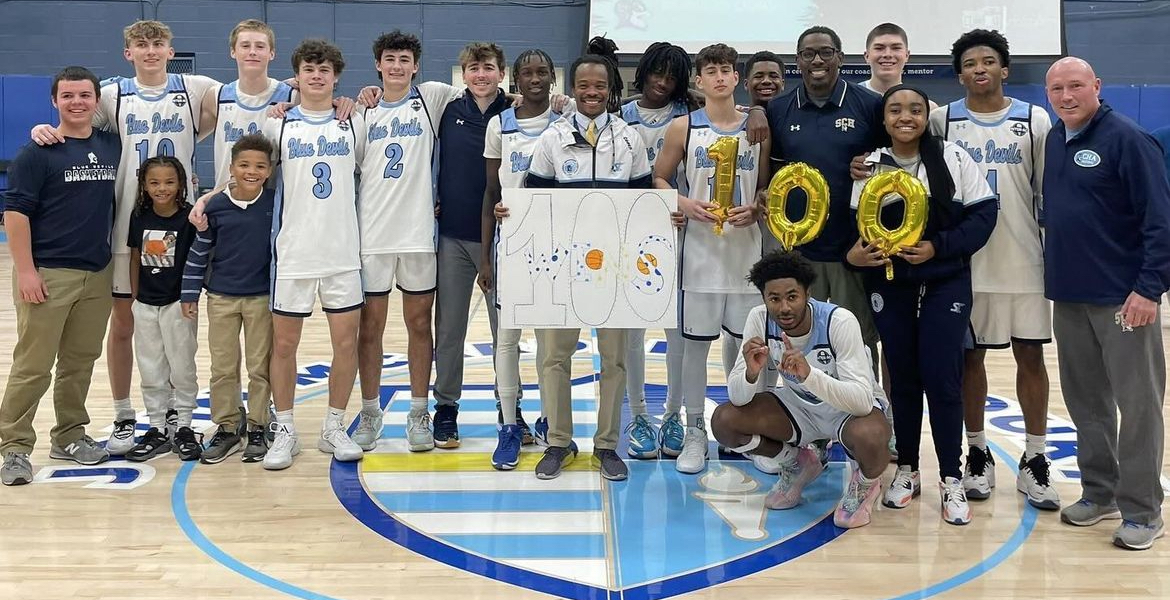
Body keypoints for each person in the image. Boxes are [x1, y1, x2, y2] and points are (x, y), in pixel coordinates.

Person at [30, 21, 219, 456]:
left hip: (177, 225)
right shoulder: (112, 95)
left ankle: (177, 415)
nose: (150, 51)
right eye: (141, 45)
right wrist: (41, 129)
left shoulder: (196, 88)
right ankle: (123, 415)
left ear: (171, 51)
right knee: (126, 324)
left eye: (158, 44)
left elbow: (253, 93)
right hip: (124, 229)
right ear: (127, 53)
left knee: (176, 324)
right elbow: (72, 122)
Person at [847, 84, 996, 526]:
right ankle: (907, 469)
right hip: (889, 285)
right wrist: (853, 257)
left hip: (945, 281)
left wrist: (938, 247)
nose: (905, 116)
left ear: (927, 114)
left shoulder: (954, 158)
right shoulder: (869, 164)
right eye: (895, 110)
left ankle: (951, 476)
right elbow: (854, 228)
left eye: (914, 109)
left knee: (943, 378)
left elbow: (984, 216)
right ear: (885, 117)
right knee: (904, 378)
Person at [1044, 57, 1170, 551]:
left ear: (1097, 85)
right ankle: (1100, 493)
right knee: (1086, 403)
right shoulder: (1056, 139)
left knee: (1137, 406)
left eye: (1076, 86)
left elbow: (1161, 222)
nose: (1066, 95)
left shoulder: (1129, 138)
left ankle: (1142, 509)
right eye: (1057, 88)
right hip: (1070, 295)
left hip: (1123, 299)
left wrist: (1149, 290)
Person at [931, 29, 1059, 510]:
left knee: (1032, 357)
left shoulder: (1035, 118)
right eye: (969, 63)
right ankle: (978, 452)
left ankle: (1035, 459)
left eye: (988, 61)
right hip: (967, 264)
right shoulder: (943, 120)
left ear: (1004, 70)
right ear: (959, 73)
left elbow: (1049, 189)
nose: (979, 69)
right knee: (970, 360)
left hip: (1023, 258)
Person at [521, 53, 652, 481]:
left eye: (600, 86)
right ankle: (559, 442)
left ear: (611, 89)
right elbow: (534, 201)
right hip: (561, 269)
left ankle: (607, 445)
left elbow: (643, 205)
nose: (592, 92)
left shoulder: (630, 139)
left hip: (613, 270)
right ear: (573, 88)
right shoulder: (552, 139)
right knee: (553, 359)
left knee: (614, 360)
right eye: (584, 86)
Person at [654, 43, 770, 474]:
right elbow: (659, 177)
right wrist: (683, 203)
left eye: (726, 70)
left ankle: (752, 431)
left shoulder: (757, 126)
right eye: (711, 71)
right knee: (694, 350)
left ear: (736, 78)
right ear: (698, 81)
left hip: (746, 257)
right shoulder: (684, 127)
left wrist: (757, 208)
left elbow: (765, 187)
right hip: (699, 255)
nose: (719, 77)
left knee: (751, 348)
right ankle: (695, 432)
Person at [0, 67, 120, 486]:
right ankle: (13, 447)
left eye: (85, 95)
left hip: (97, 272)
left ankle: (69, 435)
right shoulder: (37, 152)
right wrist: (27, 272)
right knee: (33, 366)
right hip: (48, 274)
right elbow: (14, 214)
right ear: (54, 101)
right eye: (67, 96)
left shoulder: (111, 145)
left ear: (96, 101)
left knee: (79, 363)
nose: (77, 102)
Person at [711, 250, 890, 528]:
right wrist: (750, 373)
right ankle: (798, 462)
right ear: (764, 298)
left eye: (792, 297)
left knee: (874, 435)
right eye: (774, 298)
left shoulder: (839, 321)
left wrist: (809, 375)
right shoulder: (759, 319)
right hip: (801, 410)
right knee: (725, 421)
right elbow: (738, 397)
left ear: (808, 293)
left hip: (847, 411)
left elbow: (861, 402)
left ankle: (865, 485)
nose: (784, 307)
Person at [749, 26, 884, 376]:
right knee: (801, 344)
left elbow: (893, 164)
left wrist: (872, 167)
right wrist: (763, 191)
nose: (817, 60)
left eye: (826, 52)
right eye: (808, 54)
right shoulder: (779, 109)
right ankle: (811, 426)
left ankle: (869, 421)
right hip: (798, 254)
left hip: (850, 251)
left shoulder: (868, 105)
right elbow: (770, 174)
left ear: (840, 57)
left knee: (857, 344)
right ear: (798, 61)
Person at [352, 31, 462, 454]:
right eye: (389, 59)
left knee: (420, 325)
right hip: (372, 236)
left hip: (418, 235)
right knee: (370, 330)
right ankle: (369, 412)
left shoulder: (431, 98)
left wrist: (557, 102)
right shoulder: (363, 111)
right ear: (378, 64)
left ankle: (419, 412)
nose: (397, 66)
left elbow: (482, 87)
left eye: (404, 59)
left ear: (416, 66)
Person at [260, 39, 368, 470]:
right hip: (294, 252)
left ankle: (334, 426)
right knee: (284, 344)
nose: (317, 76)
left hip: (343, 251)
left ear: (336, 76)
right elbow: (254, 177)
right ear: (297, 76)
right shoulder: (277, 125)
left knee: (346, 343)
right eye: (309, 69)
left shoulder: (353, 121)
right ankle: (285, 429)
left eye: (325, 70)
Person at [478, 48, 559, 469]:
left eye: (541, 71)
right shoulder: (499, 126)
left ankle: (549, 420)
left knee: (549, 344)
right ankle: (509, 424)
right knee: (507, 341)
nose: (534, 78)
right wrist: (485, 260)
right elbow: (491, 194)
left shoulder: (567, 123)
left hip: (555, 251)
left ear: (552, 77)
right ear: (515, 78)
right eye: (526, 72)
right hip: (509, 248)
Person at [432, 42, 511, 449]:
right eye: (474, 68)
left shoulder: (516, 112)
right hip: (453, 237)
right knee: (449, 329)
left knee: (506, 333)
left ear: (501, 73)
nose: (481, 75)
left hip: (505, 241)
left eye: (489, 68)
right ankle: (446, 408)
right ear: (464, 74)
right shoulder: (446, 110)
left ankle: (508, 408)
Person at [618, 41, 693, 461]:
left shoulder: (688, 118)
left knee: (675, 333)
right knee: (632, 332)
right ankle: (640, 416)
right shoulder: (620, 117)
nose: (662, 82)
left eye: (671, 76)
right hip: (629, 239)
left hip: (676, 235)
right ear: (643, 72)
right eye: (656, 73)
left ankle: (673, 415)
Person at [181, 134, 275, 464]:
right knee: (223, 367)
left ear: (269, 170)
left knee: (259, 367)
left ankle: (260, 425)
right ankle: (227, 425)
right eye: (244, 164)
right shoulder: (216, 205)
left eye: (260, 166)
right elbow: (200, 250)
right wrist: (189, 293)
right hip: (220, 298)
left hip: (261, 298)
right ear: (231, 167)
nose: (252, 171)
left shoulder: (275, 203)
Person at [125, 156, 200, 461]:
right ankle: (156, 427)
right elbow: (133, 257)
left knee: (182, 366)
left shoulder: (188, 217)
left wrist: (190, 298)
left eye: (169, 182)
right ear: (144, 185)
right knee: (150, 367)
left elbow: (197, 261)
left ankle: (183, 426)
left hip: (178, 305)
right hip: (145, 304)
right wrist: (134, 298)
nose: (162, 188)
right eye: (154, 182)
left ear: (181, 184)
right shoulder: (139, 215)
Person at [204, 19, 295, 187]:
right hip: (226, 200)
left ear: (272, 53)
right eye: (245, 46)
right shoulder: (216, 96)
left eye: (260, 46)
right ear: (233, 51)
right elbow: (189, 138)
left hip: (269, 201)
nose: (252, 52)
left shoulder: (291, 97)